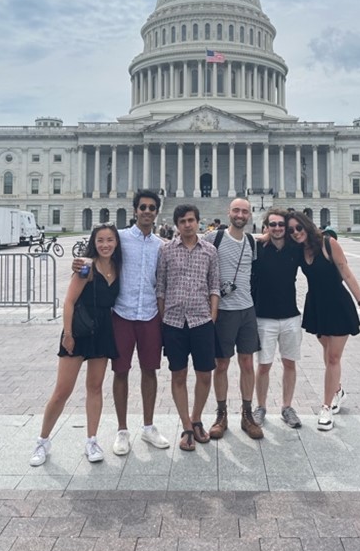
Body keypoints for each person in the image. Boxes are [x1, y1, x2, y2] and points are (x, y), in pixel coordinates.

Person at [73, 189, 169, 456]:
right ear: (135, 210)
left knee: (150, 371)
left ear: (156, 212)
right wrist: (81, 264)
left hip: (150, 314)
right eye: (143, 207)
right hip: (122, 314)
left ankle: (148, 427)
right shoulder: (121, 239)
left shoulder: (162, 245)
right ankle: (122, 430)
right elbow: (97, 252)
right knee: (121, 372)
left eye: (151, 208)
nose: (147, 212)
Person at [30, 223, 122, 466]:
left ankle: (91, 440)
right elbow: (69, 301)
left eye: (110, 240)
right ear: (94, 242)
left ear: (116, 243)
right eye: (100, 240)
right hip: (79, 330)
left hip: (103, 330)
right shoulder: (86, 267)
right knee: (62, 391)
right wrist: (68, 334)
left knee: (95, 387)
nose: (105, 245)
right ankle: (42, 440)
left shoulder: (118, 266)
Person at [287, 211, 360, 432]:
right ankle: (337, 391)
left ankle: (326, 407)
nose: (295, 233)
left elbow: (346, 273)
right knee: (328, 352)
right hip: (316, 305)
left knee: (334, 357)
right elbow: (270, 238)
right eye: (291, 230)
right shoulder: (299, 249)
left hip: (337, 304)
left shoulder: (329, 243)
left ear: (307, 226)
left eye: (299, 228)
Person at [156, 205, 220, 451]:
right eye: (182, 221)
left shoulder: (210, 251)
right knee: (178, 374)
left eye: (191, 220)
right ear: (176, 224)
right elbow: (160, 286)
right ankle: (186, 427)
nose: (187, 225)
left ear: (198, 222)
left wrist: (212, 315)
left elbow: (214, 285)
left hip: (201, 320)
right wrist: (164, 317)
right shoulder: (166, 251)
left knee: (205, 374)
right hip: (173, 322)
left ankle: (196, 419)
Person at [203, 198, 263, 440]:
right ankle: (221, 414)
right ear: (229, 213)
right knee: (222, 365)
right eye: (236, 210)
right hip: (223, 311)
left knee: (248, 363)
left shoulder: (251, 242)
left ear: (249, 215)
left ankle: (247, 413)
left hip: (247, 310)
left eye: (245, 211)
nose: (240, 214)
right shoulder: (212, 239)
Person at [252, 209, 303, 429]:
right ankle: (261, 406)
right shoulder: (258, 248)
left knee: (290, 363)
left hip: (291, 315)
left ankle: (287, 407)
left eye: (281, 225)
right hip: (264, 317)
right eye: (272, 225)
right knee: (264, 365)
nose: (277, 228)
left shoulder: (295, 248)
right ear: (266, 227)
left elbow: (315, 241)